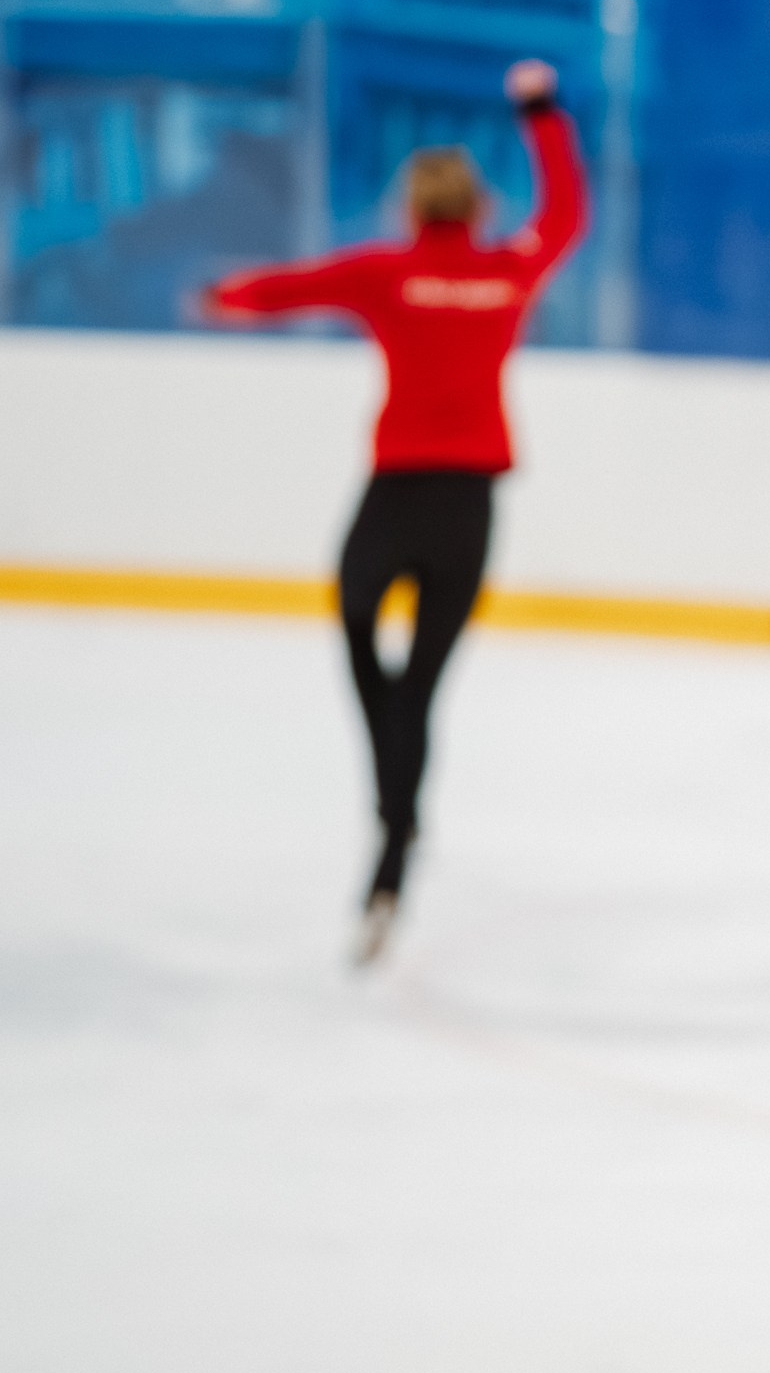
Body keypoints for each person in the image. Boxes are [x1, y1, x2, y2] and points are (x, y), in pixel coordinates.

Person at [205, 59, 586, 965]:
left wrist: (229, 298)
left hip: (392, 502)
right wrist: (540, 112)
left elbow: (293, 287)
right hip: (468, 511)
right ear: (479, 211)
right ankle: (393, 856)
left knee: (361, 647)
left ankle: (394, 828)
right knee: (419, 690)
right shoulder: (509, 271)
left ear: (414, 211)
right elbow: (567, 212)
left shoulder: (389, 270)